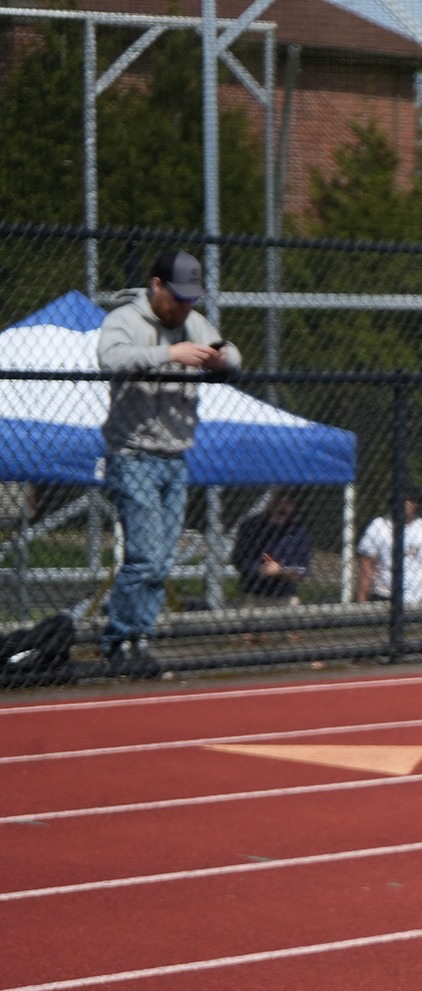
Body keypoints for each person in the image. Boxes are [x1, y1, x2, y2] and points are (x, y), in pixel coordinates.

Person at [96, 249, 241, 678]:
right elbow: (110, 359)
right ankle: (117, 641)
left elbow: (231, 354)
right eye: (178, 297)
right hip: (133, 453)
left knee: (161, 562)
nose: (185, 306)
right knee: (143, 556)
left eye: (191, 299)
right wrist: (169, 354)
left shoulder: (194, 322)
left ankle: (140, 638)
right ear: (157, 286)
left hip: (175, 457)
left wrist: (220, 358)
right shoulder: (125, 319)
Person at [356, 489, 422, 604]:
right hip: (384, 596)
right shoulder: (378, 526)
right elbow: (366, 564)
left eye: (410, 500)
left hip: (421, 598)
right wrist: (362, 600)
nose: (405, 503)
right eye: (401, 500)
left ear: (417, 504)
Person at [231, 490, 311, 604]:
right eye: (279, 500)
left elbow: (304, 564)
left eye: (288, 502)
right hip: (254, 591)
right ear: (271, 502)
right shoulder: (251, 526)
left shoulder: (297, 529)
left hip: (284, 592)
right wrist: (261, 569)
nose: (283, 505)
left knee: (294, 605)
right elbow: (239, 560)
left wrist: (288, 571)